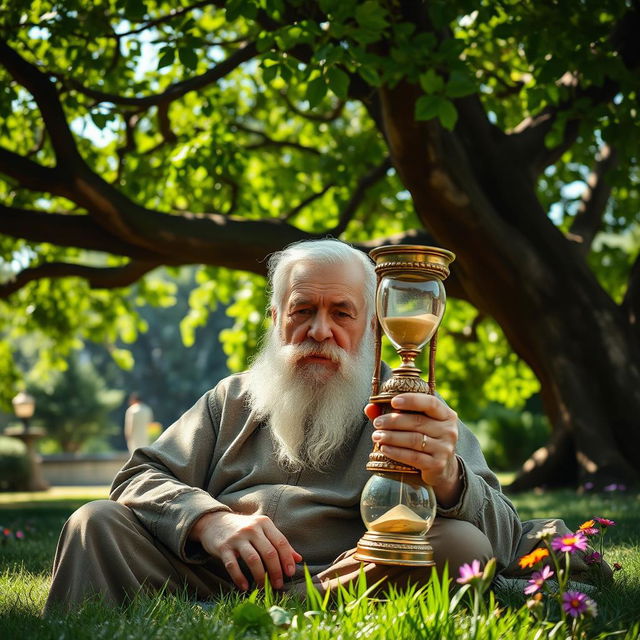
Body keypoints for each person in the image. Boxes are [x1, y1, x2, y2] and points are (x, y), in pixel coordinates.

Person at [44, 239, 601, 613]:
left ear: (375, 328)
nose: (319, 330)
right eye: (302, 310)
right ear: (276, 318)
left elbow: (501, 538)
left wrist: (450, 479)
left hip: (351, 580)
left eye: (341, 313)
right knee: (94, 522)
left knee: (458, 541)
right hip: (213, 575)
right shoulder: (230, 398)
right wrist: (208, 521)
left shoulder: (414, 408)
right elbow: (137, 478)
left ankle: (294, 616)